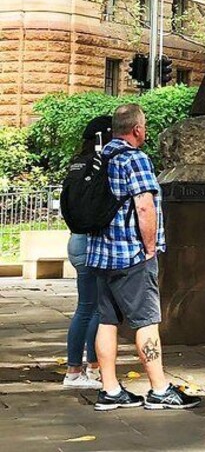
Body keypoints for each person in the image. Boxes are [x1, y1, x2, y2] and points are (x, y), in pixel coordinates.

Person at [87, 103, 200, 411]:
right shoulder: (134, 159)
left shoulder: (100, 157)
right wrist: (149, 248)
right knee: (147, 321)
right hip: (131, 255)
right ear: (136, 129)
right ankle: (159, 389)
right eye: (144, 126)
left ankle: (109, 389)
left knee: (107, 321)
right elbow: (144, 206)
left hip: (101, 253)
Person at [62, 115, 113, 390]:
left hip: (76, 239)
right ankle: (89, 368)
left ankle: (76, 368)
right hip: (92, 241)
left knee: (85, 307)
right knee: (95, 309)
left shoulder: (76, 164)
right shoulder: (97, 163)